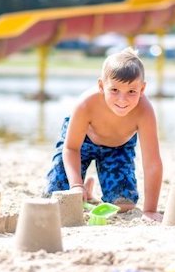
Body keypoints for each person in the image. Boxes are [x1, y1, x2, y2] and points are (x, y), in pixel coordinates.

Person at [44, 47, 163, 221]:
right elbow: (71, 148)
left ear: (142, 89)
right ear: (101, 86)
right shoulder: (85, 104)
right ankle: (83, 186)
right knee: (57, 198)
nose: (122, 100)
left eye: (132, 91)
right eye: (114, 90)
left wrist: (150, 210)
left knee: (124, 204)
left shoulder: (144, 111)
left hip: (118, 148)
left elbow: (152, 162)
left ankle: (90, 190)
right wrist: (76, 185)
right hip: (81, 144)